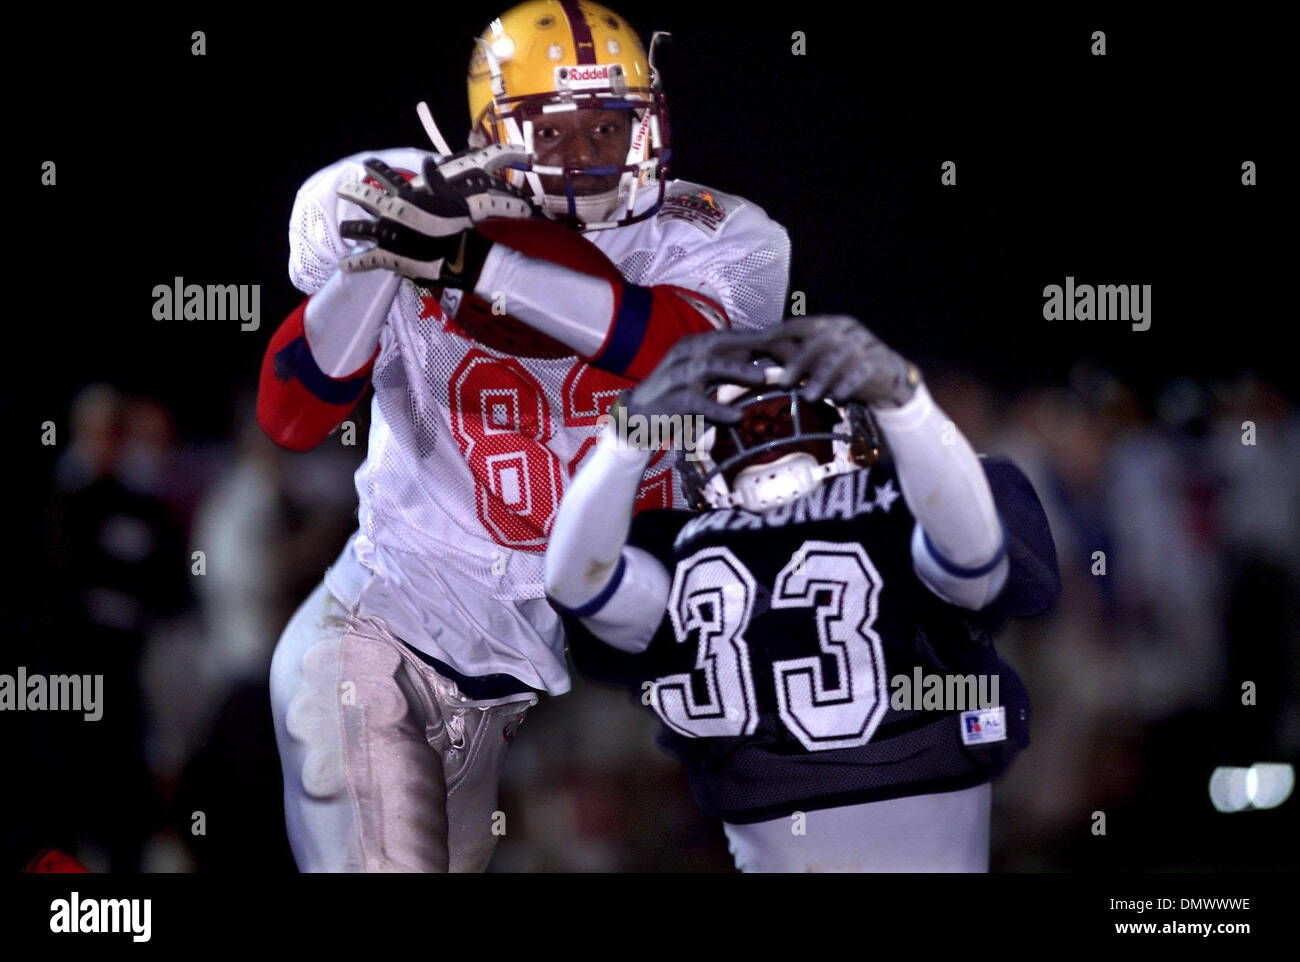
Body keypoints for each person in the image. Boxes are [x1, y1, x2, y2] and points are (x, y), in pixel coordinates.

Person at [257, 0, 790, 872]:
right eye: (551, 133)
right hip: (378, 636)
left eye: (607, 128)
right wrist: (380, 258)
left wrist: (481, 266)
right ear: (487, 136)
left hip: (506, 686)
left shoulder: (717, 236)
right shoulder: (401, 194)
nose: (583, 159)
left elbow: (693, 356)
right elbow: (290, 416)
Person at [544, 316, 1060, 871]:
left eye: (787, 412)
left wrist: (906, 406)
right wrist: (625, 437)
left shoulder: (901, 502)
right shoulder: (684, 547)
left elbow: (973, 557)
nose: (768, 434)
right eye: (741, 423)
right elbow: (575, 582)